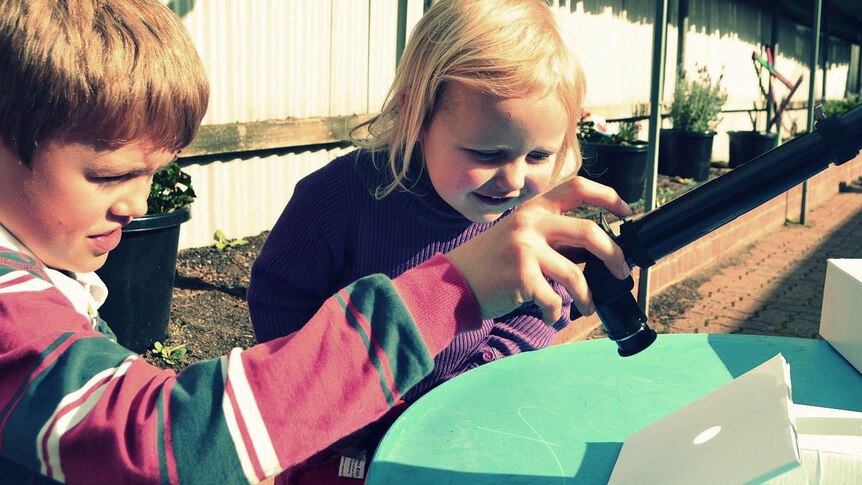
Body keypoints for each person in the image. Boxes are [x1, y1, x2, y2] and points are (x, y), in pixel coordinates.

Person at [0, 0, 632, 483]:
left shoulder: (45, 271)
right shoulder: (10, 301)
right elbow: (152, 440)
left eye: (152, 175)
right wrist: (453, 290)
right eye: (110, 174)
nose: (138, 206)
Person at [246, 0, 633, 481]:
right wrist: (335, 397)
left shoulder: (529, 215)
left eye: (538, 155)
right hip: (339, 440)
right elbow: (279, 298)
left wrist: (474, 380)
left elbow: (541, 307)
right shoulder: (336, 198)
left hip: (461, 427)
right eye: (486, 152)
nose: (512, 180)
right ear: (417, 113)